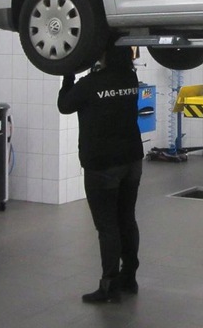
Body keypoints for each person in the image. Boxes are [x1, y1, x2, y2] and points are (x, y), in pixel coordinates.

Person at [57, 43, 145, 304]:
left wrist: (68, 73)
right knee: (127, 219)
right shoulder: (130, 79)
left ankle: (109, 285)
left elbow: (64, 105)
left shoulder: (90, 84)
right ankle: (129, 277)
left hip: (102, 163)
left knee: (107, 226)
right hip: (132, 160)